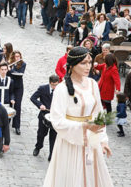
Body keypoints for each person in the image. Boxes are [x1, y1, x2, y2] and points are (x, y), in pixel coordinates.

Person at [43, 47, 113, 187]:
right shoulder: (62, 89)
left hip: (92, 140)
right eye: (83, 63)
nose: (88, 67)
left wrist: (103, 140)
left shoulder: (93, 84)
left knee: (92, 177)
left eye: (89, 62)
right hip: (69, 144)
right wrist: (83, 126)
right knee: (72, 179)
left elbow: (99, 114)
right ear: (72, 65)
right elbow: (57, 121)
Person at [30, 75, 59, 161]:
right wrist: (40, 105)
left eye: (56, 85)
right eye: (53, 85)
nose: (54, 87)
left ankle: (51, 154)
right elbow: (33, 98)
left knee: (53, 136)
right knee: (41, 134)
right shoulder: (43, 88)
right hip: (44, 115)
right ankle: (38, 147)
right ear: (50, 83)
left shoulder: (60, 90)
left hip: (55, 117)